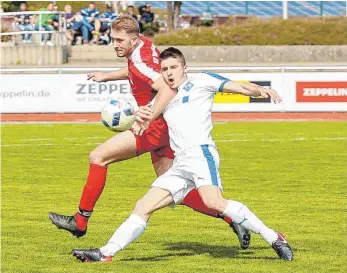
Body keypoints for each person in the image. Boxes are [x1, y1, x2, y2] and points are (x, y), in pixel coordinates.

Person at [71, 47, 293, 262]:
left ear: (185, 67)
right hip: (180, 164)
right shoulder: (164, 98)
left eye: (173, 67)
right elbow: (147, 115)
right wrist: (139, 121)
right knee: (143, 206)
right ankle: (104, 253)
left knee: (214, 202)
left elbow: (242, 88)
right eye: (164, 69)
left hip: (200, 154)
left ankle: (273, 237)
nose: (169, 73)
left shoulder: (202, 81)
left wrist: (259, 91)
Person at [48, 15, 250, 250]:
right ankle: (231, 217)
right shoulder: (144, 45)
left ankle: (80, 221)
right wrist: (107, 76)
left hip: (153, 128)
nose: (115, 44)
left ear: (133, 40)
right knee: (175, 191)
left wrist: (146, 118)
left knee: (98, 157)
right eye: (113, 39)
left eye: (120, 40)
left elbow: (166, 89)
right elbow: (136, 70)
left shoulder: (141, 58)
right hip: (165, 128)